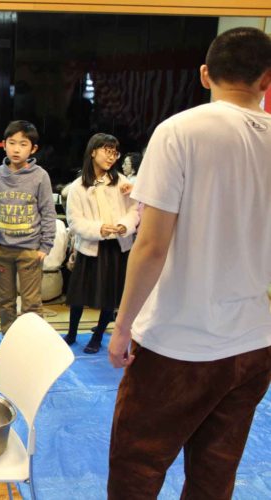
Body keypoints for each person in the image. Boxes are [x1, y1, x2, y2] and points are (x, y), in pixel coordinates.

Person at [107, 27, 271, 499]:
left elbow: (151, 245)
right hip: (255, 342)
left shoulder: (180, 131)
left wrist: (123, 327)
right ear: (266, 79)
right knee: (215, 474)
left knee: (137, 467)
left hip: (179, 342)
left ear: (204, 74)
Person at [63, 133, 139, 353]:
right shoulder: (78, 186)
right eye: (107, 151)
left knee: (110, 296)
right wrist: (98, 229)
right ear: (93, 151)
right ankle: (71, 332)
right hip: (90, 246)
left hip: (117, 247)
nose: (112, 156)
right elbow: (74, 221)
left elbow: (135, 210)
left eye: (115, 152)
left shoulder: (122, 183)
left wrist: (124, 225)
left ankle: (97, 336)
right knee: (79, 295)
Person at [0, 120, 57, 339]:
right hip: (1, 249)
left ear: (33, 149)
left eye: (23, 144)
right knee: (5, 302)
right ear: (4, 144)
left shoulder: (40, 176)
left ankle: (31, 345)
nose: (17, 149)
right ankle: (9, 344)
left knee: (31, 304)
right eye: (12, 143)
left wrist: (45, 246)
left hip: (29, 251)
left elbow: (48, 212)